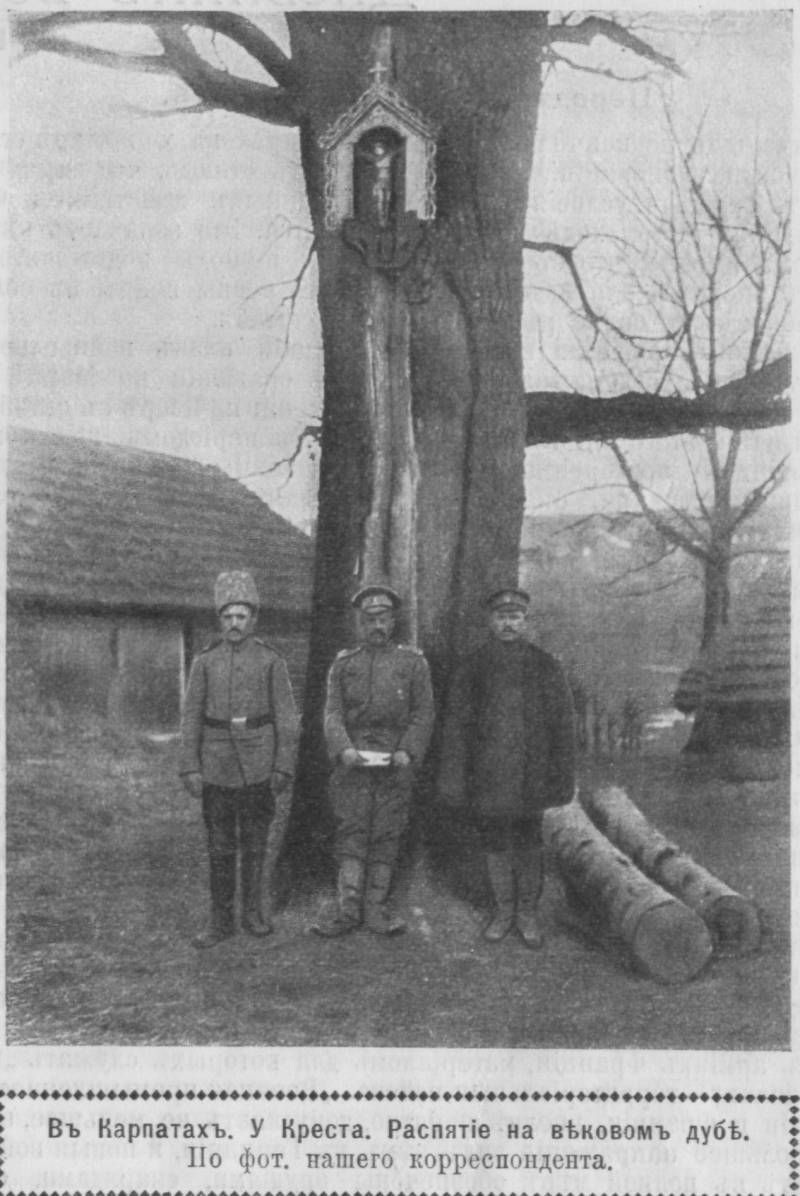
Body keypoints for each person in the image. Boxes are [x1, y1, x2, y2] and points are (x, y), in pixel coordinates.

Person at [438, 587, 576, 948]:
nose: (508, 624)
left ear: (526, 621)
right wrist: (454, 778)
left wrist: (562, 778)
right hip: (489, 776)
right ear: (490, 621)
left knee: (530, 841)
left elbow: (563, 726)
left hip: (533, 775)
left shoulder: (546, 666)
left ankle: (527, 914)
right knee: (496, 842)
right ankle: (503, 912)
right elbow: (456, 727)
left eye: (515, 617)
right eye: (501, 617)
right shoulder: (473, 667)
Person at [179, 571, 299, 949]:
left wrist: (282, 766)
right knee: (219, 846)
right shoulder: (205, 662)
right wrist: (190, 766)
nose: (234, 624)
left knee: (255, 844)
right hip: (215, 767)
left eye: (241, 616)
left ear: (254, 620)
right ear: (220, 620)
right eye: (228, 616)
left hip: (259, 766)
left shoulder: (271, 661)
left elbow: (287, 720)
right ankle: (220, 920)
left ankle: (253, 913)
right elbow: (190, 718)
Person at [313, 584, 435, 937]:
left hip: (395, 763)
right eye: (369, 620)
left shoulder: (413, 663)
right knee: (351, 832)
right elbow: (332, 712)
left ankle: (376, 909)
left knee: (386, 833)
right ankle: (348, 909)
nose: (376, 625)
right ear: (359, 623)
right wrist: (343, 748)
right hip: (352, 763)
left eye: (382, 619)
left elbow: (423, 713)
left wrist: (407, 751)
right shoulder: (344, 664)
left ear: (393, 621)